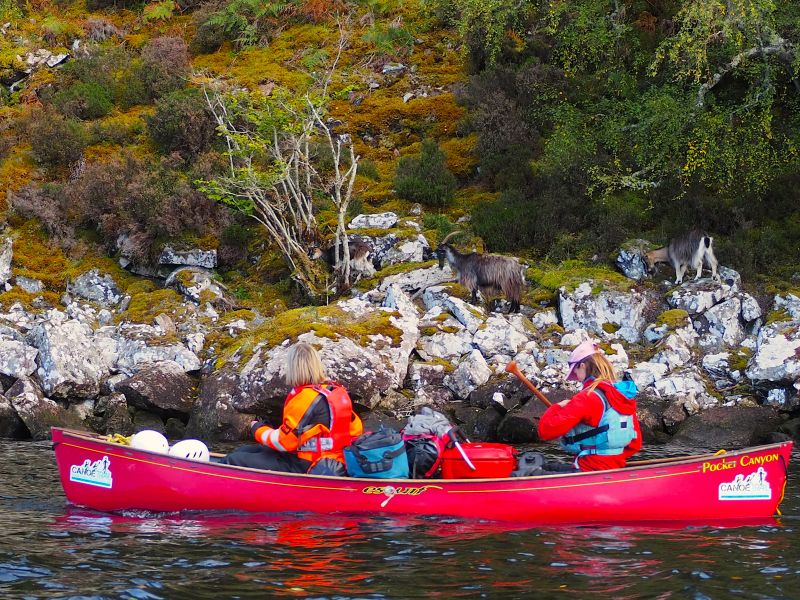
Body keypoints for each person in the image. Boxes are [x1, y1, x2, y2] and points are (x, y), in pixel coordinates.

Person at [221, 342, 363, 475]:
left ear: (294, 368)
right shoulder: (336, 393)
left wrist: (257, 428)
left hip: (307, 464)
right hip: (333, 460)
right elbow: (356, 430)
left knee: (234, 460)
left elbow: (282, 442)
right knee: (244, 450)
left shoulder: (305, 398)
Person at [536, 340, 642, 472]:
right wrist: (609, 456)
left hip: (588, 469)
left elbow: (546, 431)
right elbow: (634, 445)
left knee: (530, 471)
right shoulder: (622, 396)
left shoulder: (587, 397)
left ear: (582, 366)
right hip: (615, 466)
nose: (577, 377)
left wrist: (557, 407)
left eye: (575, 370)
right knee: (544, 466)